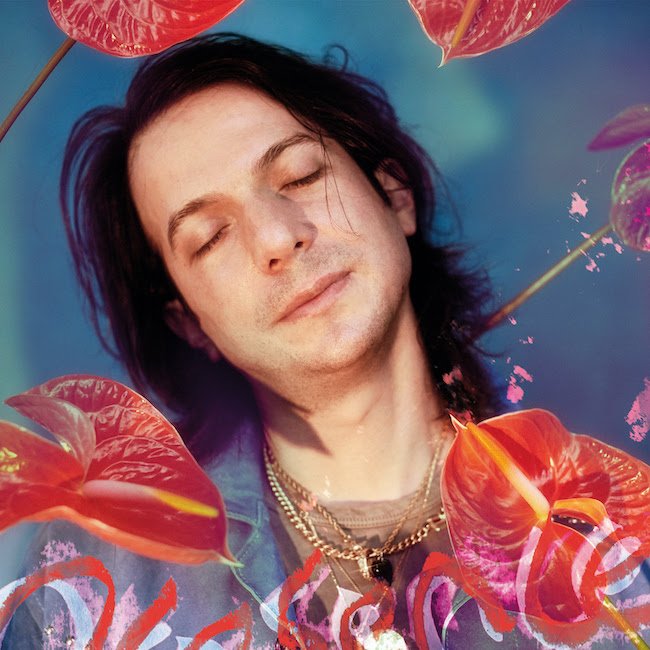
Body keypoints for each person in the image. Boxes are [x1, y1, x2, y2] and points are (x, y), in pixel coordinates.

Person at [3, 34, 645, 649]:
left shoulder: (605, 534)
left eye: (301, 176)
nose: (277, 238)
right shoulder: (92, 587)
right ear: (189, 322)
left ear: (393, 194)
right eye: (210, 237)